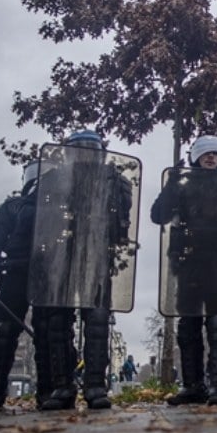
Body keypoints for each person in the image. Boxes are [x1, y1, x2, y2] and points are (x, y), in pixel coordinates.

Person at [35, 130, 134, 411]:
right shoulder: (54, 179)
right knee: (57, 323)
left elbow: (122, 222)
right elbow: (45, 221)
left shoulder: (114, 180)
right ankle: (63, 385)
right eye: (81, 148)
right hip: (61, 258)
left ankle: (94, 386)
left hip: (96, 256)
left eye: (91, 148)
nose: (86, 153)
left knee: (98, 323)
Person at [152, 135, 217, 406]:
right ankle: (193, 385)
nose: (210, 157)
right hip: (187, 264)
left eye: (215, 154)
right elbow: (158, 215)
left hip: (216, 262)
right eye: (205, 153)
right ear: (195, 157)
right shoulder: (180, 189)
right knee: (188, 323)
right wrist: (171, 184)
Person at [0, 161, 40, 410]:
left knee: (51, 331)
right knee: (4, 331)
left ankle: (51, 389)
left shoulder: (60, 205)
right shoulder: (12, 207)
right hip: (16, 270)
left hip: (49, 272)